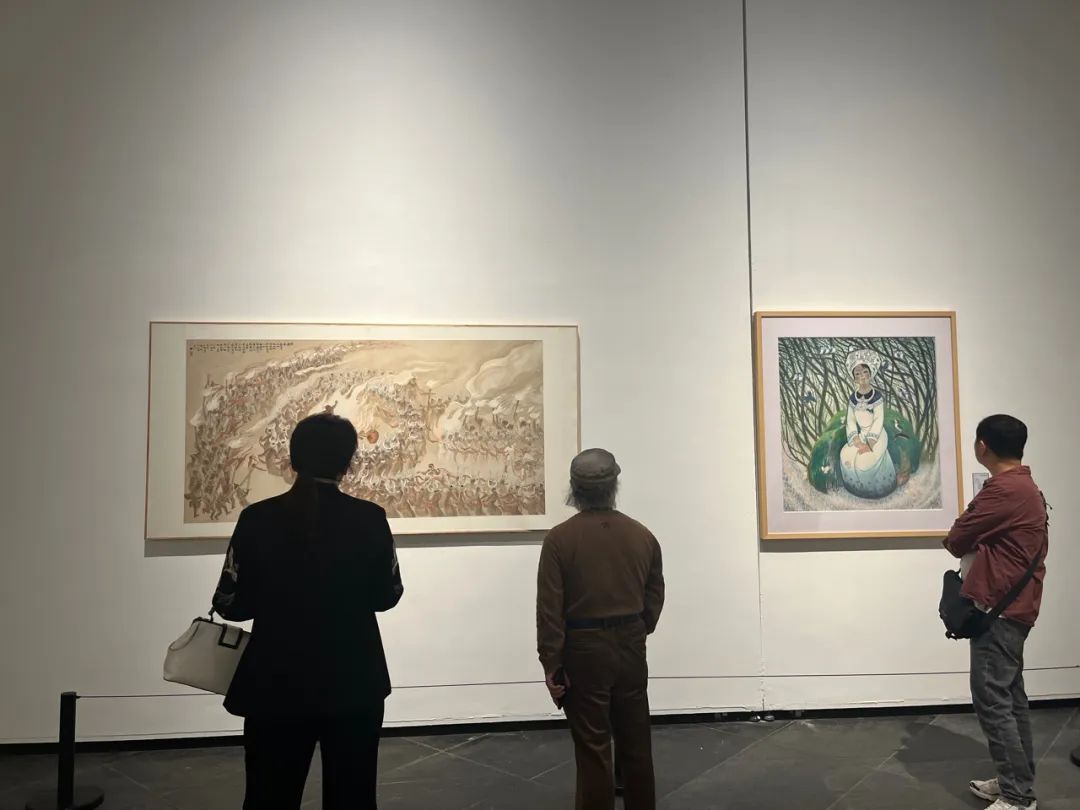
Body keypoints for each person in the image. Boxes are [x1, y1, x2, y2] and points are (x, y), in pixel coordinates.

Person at [212, 413, 404, 810]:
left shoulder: (257, 518)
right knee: (352, 798)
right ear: (348, 462)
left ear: (293, 458)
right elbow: (387, 596)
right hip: (354, 678)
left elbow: (230, 604)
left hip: (275, 680)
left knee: (269, 798)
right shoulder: (369, 518)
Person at [536, 448, 665, 810]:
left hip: (583, 651)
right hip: (630, 645)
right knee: (636, 742)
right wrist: (639, 628)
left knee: (593, 747)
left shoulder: (559, 540)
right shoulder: (641, 535)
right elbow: (655, 593)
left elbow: (550, 610)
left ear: (574, 489)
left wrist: (552, 663)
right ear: (614, 485)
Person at [944, 415, 1049, 810]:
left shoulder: (1004, 490)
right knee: (1010, 699)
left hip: (999, 611)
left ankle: (1017, 797)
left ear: (982, 446)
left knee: (993, 701)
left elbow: (956, 539)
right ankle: (1014, 780)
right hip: (1011, 608)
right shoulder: (1024, 486)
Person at [838, 349, 897, 498]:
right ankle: (856, 490)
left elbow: (878, 420)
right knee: (846, 456)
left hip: (876, 436)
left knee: (864, 464)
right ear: (854, 378)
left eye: (865, 372)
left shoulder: (877, 396)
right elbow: (850, 420)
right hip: (860, 436)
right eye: (857, 374)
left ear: (870, 374)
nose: (862, 376)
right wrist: (856, 440)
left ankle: (878, 490)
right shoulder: (853, 398)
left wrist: (869, 444)